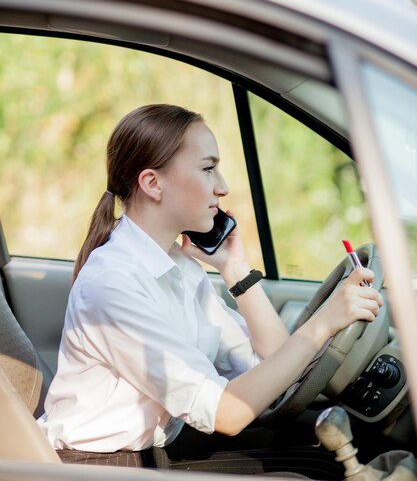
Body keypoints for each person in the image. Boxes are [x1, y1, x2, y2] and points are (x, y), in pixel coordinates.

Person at [37, 104, 383, 478]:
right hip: (97, 467)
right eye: (208, 168)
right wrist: (324, 324)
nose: (223, 186)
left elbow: (271, 362)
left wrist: (235, 270)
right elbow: (227, 413)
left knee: (323, 454)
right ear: (153, 183)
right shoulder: (113, 283)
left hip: (157, 447)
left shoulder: (180, 266)